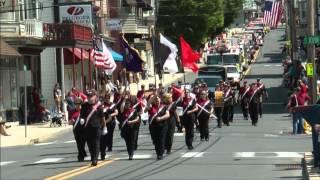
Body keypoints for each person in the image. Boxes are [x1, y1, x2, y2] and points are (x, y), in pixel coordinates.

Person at [80, 90, 105, 166]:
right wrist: (82, 120)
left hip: (97, 127)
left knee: (96, 144)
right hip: (87, 127)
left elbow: (102, 117)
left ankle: (95, 159)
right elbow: (82, 115)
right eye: (88, 96)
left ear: (95, 96)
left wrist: (104, 127)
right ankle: (92, 156)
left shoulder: (99, 106)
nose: (89, 98)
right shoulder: (84, 105)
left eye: (91, 96)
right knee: (90, 144)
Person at [145, 95, 169, 160]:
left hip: (163, 126)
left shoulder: (164, 107)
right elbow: (145, 110)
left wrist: (161, 118)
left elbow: (167, 115)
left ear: (160, 100)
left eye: (158, 99)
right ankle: (158, 151)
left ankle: (160, 154)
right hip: (153, 127)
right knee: (155, 141)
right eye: (156, 100)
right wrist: (152, 98)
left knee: (161, 139)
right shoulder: (151, 107)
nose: (157, 100)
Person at [100, 93, 118, 159]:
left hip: (111, 121)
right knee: (104, 135)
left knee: (110, 134)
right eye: (106, 97)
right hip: (104, 122)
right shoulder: (103, 104)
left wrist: (112, 115)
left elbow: (116, 112)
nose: (106, 99)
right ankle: (104, 146)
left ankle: (110, 147)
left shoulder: (113, 104)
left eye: (108, 97)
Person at [69, 98, 87, 162]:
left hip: (83, 129)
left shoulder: (84, 111)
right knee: (78, 143)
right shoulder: (72, 111)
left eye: (79, 104)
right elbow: (69, 122)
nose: (77, 105)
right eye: (76, 104)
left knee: (82, 143)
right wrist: (71, 121)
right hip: (76, 130)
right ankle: (82, 153)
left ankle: (81, 155)